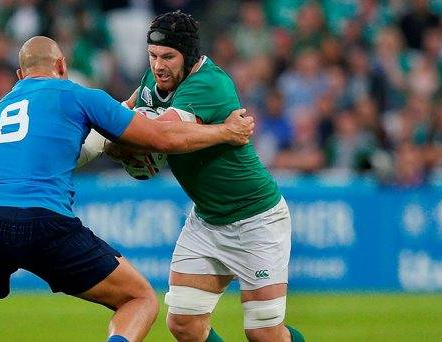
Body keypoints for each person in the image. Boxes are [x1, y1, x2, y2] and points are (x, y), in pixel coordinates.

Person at [0, 36, 255, 342]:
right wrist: (226, 132)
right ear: (63, 66)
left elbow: (49, 156)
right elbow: (162, 137)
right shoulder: (78, 94)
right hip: (45, 220)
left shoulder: (1, 109)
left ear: (21, 75)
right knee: (138, 299)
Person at [104, 11, 305, 342]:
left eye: (168, 56)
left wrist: (121, 138)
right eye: (153, 56)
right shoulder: (154, 81)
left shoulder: (209, 82)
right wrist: (105, 135)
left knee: (264, 334)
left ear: (189, 55)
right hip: (208, 221)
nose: (158, 65)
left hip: (255, 219)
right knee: (183, 324)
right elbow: (123, 114)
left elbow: (165, 134)